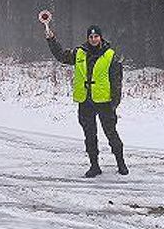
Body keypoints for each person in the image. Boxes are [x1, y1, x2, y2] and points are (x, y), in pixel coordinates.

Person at [46, 23, 127, 177]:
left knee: (111, 134)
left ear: (100, 37)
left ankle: (121, 163)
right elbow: (62, 56)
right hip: (86, 101)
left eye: (96, 36)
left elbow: (117, 81)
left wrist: (114, 103)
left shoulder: (110, 55)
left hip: (104, 101)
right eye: (91, 36)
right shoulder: (79, 53)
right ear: (87, 38)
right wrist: (51, 40)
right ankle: (94, 166)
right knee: (90, 135)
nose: (93, 39)